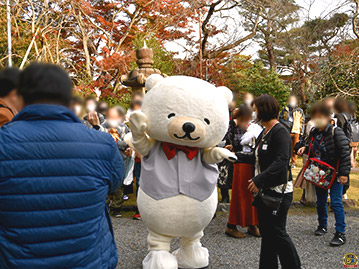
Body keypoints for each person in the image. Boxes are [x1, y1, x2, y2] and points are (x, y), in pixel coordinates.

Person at [0, 63, 125, 268]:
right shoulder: (102, 144)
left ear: (21, 96)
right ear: (68, 99)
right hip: (90, 261)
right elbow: (115, 183)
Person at [237, 94, 301, 269]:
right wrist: (233, 156)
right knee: (267, 233)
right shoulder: (265, 132)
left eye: (255, 109)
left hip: (278, 192)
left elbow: (281, 161)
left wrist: (259, 179)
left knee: (278, 233)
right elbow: (256, 157)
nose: (253, 113)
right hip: (265, 192)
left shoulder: (280, 132)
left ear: (263, 110)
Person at [297, 102, 351, 246]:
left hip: (336, 173)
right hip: (320, 172)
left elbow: (345, 153)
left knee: (336, 202)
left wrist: (344, 173)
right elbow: (315, 149)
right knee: (320, 201)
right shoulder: (315, 132)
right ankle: (322, 225)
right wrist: (305, 149)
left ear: (328, 118)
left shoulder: (336, 132)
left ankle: (340, 233)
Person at [225, 104, 260, 238]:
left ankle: (252, 224)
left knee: (251, 195)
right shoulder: (234, 126)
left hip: (251, 163)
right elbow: (236, 143)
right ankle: (231, 225)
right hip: (241, 164)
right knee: (240, 195)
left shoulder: (254, 127)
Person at [102, 106, 133, 217]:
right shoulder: (102, 127)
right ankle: (104, 205)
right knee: (103, 183)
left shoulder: (124, 128)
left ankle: (116, 208)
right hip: (104, 160)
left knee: (119, 184)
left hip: (120, 159)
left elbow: (127, 143)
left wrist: (116, 142)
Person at [279, 95, 305, 167]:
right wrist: (287, 124)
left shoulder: (300, 111)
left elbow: (302, 121)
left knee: (295, 148)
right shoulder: (285, 109)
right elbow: (280, 118)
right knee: (286, 147)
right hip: (287, 131)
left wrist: (302, 131)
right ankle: (285, 161)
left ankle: (293, 162)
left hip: (296, 131)